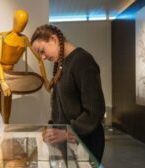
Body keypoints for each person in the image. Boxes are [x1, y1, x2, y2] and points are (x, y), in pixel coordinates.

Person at [31, 24, 105, 162]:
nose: (43, 57)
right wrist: (52, 129)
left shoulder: (83, 61)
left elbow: (95, 110)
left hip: (86, 143)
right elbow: (59, 104)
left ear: (53, 39)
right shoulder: (60, 64)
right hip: (69, 143)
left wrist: (67, 132)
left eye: (42, 51)